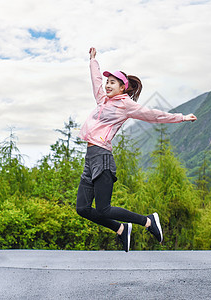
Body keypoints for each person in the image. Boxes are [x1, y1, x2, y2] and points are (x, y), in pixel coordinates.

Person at [76, 47, 197, 252]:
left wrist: (181, 117)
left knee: (103, 209)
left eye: (112, 82)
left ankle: (148, 221)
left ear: (123, 87)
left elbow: (153, 115)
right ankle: (121, 229)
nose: (107, 85)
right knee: (83, 209)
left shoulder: (126, 105)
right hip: (90, 158)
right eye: (107, 82)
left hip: (103, 157)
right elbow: (96, 80)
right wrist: (93, 61)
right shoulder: (102, 100)